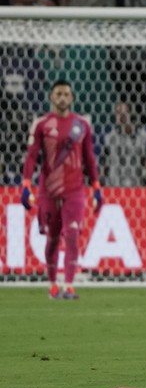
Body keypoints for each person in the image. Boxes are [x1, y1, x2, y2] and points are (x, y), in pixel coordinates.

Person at [20, 79, 103, 300]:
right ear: (51, 97)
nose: (63, 98)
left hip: (74, 190)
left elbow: (89, 159)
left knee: (73, 234)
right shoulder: (41, 124)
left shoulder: (82, 126)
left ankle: (69, 286)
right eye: (58, 94)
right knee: (53, 238)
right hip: (48, 189)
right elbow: (31, 157)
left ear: (72, 98)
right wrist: (26, 184)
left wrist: (96, 187)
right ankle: (52, 284)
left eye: (66, 94)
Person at [101, 101, 146, 187]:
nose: (121, 117)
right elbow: (104, 167)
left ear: (131, 114)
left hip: (136, 187)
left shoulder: (143, 137)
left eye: (124, 114)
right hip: (114, 188)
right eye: (118, 113)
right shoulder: (109, 138)